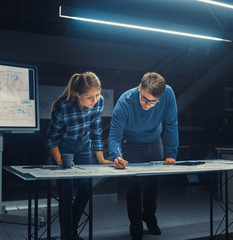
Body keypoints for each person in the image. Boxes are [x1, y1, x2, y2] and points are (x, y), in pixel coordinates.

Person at [108, 72, 179, 240]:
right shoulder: (124, 102)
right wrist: (116, 156)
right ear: (140, 88)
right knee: (134, 187)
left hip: (155, 143)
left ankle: (149, 216)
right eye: (144, 99)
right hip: (131, 145)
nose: (147, 105)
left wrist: (172, 153)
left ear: (160, 96)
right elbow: (114, 137)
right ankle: (136, 225)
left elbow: (171, 123)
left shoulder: (168, 93)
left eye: (153, 101)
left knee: (153, 184)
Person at [44, 72, 113, 240]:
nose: (95, 100)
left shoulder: (99, 102)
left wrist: (101, 158)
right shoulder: (63, 106)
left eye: (97, 95)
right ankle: (67, 236)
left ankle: (72, 231)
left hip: (83, 146)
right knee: (66, 193)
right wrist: (60, 160)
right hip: (64, 148)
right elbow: (51, 139)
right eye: (90, 97)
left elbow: (96, 130)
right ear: (78, 94)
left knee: (85, 188)